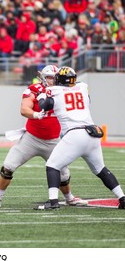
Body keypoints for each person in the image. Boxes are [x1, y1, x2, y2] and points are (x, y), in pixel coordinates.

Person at [0, 65, 86, 207]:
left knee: (63, 174)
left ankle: (69, 198)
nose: (52, 80)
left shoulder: (64, 90)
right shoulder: (35, 89)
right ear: (43, 78)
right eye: (50, 77)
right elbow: (24, 108)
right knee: (8, 166)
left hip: (54, 140)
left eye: (54, 77)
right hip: (31, 138)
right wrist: (35, 114)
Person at [36, 66, 125, 210]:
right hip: (92, 134)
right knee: (100, 169)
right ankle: (122, 197)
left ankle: (52, 202)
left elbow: (44, 105)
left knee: (52, 166)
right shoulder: (82, 90)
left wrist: (41, 96)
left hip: (75, 135)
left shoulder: (56, 92)